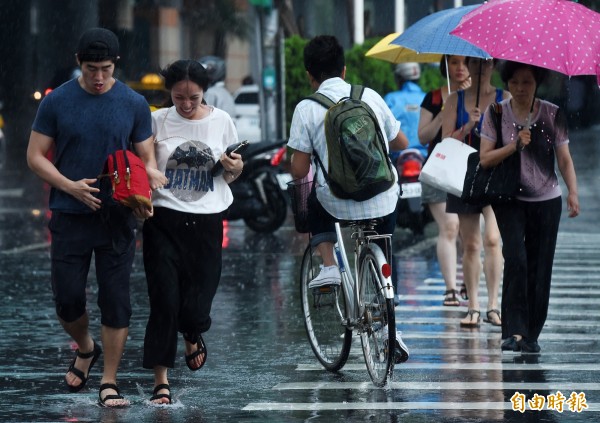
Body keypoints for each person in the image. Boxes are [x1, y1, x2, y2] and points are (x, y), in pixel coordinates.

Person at [26, 27, 166, 407]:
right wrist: (69, 185)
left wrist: (149, 176)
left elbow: (145, 155)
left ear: (114, 64)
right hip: (69, 214)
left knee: (116, 300)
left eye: (105, 68)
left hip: (117, 214)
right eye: (91, 69)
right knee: (68, 301)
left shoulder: (134, 103)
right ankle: (86, 347)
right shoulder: (57, 103)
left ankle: (109, 381)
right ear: (79, 63)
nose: (99, 77)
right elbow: (35, 155)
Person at [287, 35, 410, 363]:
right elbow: (401, 142)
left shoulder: (307, 107)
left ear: (310, 75)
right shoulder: (369, 96)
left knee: (313, 195)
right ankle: (391, 324)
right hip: (384, 196)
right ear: (343, 69)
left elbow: (300, 169)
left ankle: (328, 266)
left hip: (336, 202)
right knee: (384, 249)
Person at [142, 59, 242, 405]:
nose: (185, 104)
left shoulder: (221, 121)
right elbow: (143, 161)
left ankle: (193, 330)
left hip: (207, 221)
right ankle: (161, 382)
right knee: (164, 301)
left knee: (198, 303)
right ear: (170, 93)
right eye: (179, 97)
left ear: (204, 93)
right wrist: (149, 170)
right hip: (163, 220)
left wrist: (234, 167)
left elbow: (232, 172)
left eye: (194, 98)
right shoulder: (156, 120)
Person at [479, 61, 579, 353]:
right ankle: (514, 331)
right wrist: (514, 146)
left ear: (538, 84)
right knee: (517, 259)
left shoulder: (552, 114)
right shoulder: (496, 113)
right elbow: (485, 159)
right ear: (507, 83)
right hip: (509, 198)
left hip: (546, 201)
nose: (520, 89)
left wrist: (572, 191)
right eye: (514, 83)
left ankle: (532, 333)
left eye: (527, 83)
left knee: (539, 266)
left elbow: (564, 158)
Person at [441, 57, 510, 328]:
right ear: (468, 65)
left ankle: (493, 305)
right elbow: (445, 141)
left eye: (488, 62)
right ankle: (473, 307)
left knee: (493, 239)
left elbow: (512, 138)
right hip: (464, 175)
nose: (483, 67)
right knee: (471, 244)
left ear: (494, 66)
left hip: (495, 175)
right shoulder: (453, 100)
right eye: (476, 62)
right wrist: (469, 126)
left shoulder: (503, 98)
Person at [418, 55, 470, 307]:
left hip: (470, 171)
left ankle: (466, 281)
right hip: (439, 170)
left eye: (465, 63)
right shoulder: (433, 98)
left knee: (468, 232)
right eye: (454, 63)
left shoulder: (481, 97)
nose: (460, 68)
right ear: (445, 66)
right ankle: (450, 289)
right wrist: (443, 111)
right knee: (449, 227)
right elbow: (422, 136)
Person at [384, 62, 427, 161]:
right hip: (425, 156)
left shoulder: (391, 98)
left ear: (399, 78)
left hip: (397, 156)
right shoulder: (428, 98)